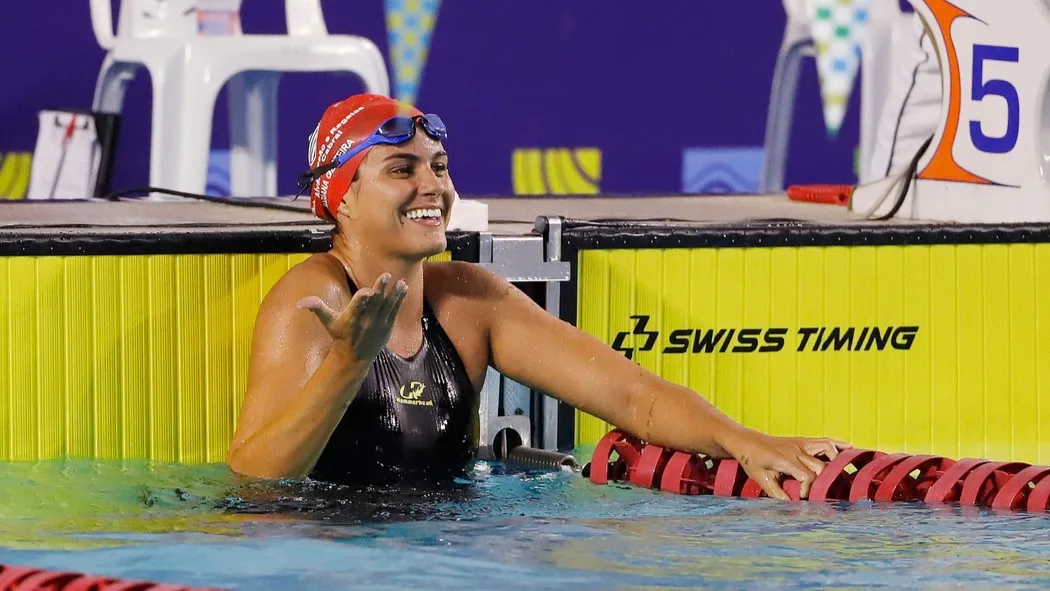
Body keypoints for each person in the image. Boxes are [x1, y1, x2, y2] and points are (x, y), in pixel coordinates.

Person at [227, 93, 851, 500]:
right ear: (342, 196)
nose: (432, 187)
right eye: (401, 169)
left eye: (439, 166)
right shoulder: (311, 299)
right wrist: (347, 362)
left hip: (444, 550)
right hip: (332, 557)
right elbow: (256, 480)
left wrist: (746, 441)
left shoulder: (468, 300)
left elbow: (632, 395)